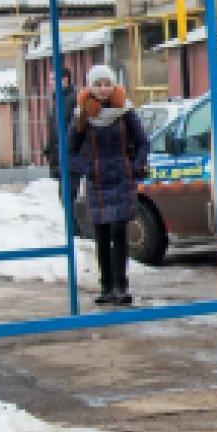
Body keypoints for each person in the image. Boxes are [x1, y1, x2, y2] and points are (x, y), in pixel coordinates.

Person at [68, 65, 148, 305]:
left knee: (118, 230)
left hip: (121, 178)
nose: (103, 89)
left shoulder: (125, 111)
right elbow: (70, 151)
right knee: (101, 233)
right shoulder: (83, 114)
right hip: (98, 180)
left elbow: (144, 142)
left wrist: (134, 166)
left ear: (113, 86)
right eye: (98, 84)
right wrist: (88, 169)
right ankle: (106, 288)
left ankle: (121, 286)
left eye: (107, 84)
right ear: (90, 87)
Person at [44, 68, 79, 207]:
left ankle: (76, 229)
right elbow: (55, 130)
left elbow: (72, 130)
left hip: (71, 161)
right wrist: (48, 149)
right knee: (65, 200)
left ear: (65, 80)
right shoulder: (59, 100)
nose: (51, 83)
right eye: (50, 79)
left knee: (70, 202)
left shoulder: (72, 100)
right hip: (62, 159)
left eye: (53, 79)